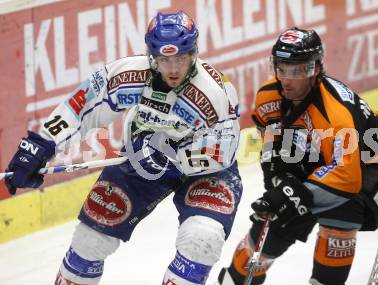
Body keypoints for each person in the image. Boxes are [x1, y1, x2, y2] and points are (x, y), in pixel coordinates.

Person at [5, 11, 242, 285]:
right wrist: (40, 145)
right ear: (152, 56)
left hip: (204, 170)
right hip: (142, 158)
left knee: (203, 237)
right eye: (165, 60)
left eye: (181, 58)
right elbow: (80, 108)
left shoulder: (214, 93)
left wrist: (173, 155)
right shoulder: (129, 74)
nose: (174, 69)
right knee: (89, 240)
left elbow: (222, 151)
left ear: (193, 53)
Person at [217, 27, 378, 285]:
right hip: (321, 155)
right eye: (281, 68)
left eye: (298, 70)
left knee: (342, 213)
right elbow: (274, 148)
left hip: (374, 166)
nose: (287, 80)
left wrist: (292, 196)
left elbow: (346, 178)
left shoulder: (336, 114)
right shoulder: (268, 96)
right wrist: (278, 185)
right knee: (276, 223)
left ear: (315, 69)